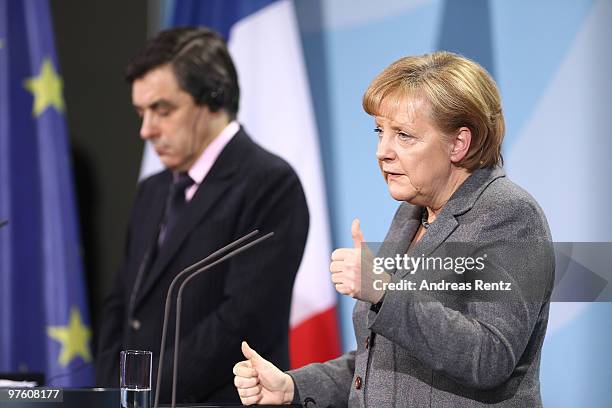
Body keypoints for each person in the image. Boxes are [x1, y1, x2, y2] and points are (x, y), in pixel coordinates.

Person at [233, 51, 555, 407]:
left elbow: (489, 356)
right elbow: (381, 363)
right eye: (380, 131)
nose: (382, 151)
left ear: (459, 143)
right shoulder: (410, 214)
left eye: (403, 135)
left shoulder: (509, 215)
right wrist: (292, 387)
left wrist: (385, 291)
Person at [95, 27, 309, 404]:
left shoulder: (270, 184)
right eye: (140, 113)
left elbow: (240, 322)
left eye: (162, 110)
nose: (146, 130)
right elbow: (122, 302)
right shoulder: (153, 190)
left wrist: (145, 392)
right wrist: (113, 391)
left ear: (214, 98)